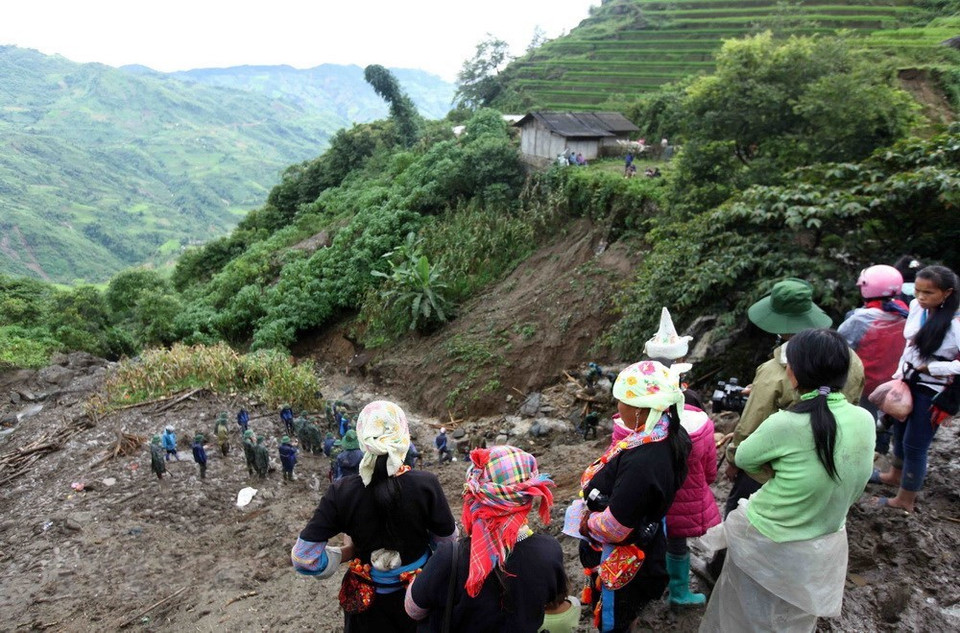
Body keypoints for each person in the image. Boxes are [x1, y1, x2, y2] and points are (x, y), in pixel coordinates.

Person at [699, 328, 875, 632]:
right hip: (825, 535)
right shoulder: (864, 419)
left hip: (765, 535)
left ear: (793, 373)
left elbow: (742, 457)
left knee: (744, 611)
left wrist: (778, 474)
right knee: (792, 617)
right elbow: (857, 479)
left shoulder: (785, 423)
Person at [291, 400, 456, 633]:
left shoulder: (341, 492)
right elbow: (448, 548)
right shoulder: (426, 485)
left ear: (362, 438)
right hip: (418, 599)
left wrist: (345, 552)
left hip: (366, 607)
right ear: (403, 437)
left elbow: (303, 558)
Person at [724, 278, 865, 517]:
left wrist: (732, 458)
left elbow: (752, 424)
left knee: (740, 512)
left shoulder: (773, 371)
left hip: (777, 466)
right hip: (829, 462)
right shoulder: (850, 359)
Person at [573, 361, 692, 633]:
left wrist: (586, 520)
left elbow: (615, 527)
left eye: (621, 402)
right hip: (647, 537)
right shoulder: (669, 430)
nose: (618, 408)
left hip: (623, 557)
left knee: (614, 618)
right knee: (630, 609)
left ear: (640, 407)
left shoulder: (644, 462)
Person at [405, 445, 564, 633]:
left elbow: (413, 609)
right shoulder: (550, 551)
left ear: (476, 497)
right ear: (528, 496)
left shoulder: (450, 557)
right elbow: (552, 601)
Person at [870, 265, 959, 513]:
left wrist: (935, 369)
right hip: (908, 380)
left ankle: (905, 500)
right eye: (917, 291)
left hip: (934, 391)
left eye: (928, 293)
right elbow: (909, 346)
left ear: (947, 292)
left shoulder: (956, 322)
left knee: (915, 445)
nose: (920, 297)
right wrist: (899, 375)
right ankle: (894, 475)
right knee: (899, 429)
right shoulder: (918, 308)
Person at [838, 265, 908, 454]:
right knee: (884, 419)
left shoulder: (858, 319)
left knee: (863, 421)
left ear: (866, 288)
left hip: (865, 383)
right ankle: (881, 451)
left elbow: (839, 346)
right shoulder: (907, 314)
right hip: (893, 383)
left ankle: (862, 455)